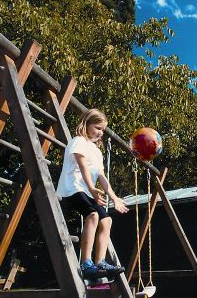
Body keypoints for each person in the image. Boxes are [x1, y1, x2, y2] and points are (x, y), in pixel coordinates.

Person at [56, 109, 129, 280]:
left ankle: (100, 262)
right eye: (97, 128)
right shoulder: (78, 141)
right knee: (93, 215)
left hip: (86, 191)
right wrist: (91, 188)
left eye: (102, 130)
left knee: (107, 220)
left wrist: (114, 197)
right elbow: (81, 166)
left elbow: (101, 176)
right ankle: (86, 263)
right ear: (86, 124)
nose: (100, 133)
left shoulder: (96, 151)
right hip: (72, 187)